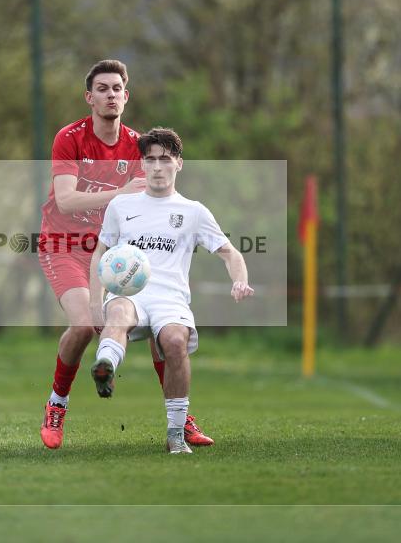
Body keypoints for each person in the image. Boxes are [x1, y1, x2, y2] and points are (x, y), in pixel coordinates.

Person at [38, 60, 213, 449]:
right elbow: (65, 201)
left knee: (161, 324)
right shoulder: (70, 137)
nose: (110, 95)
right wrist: (120, 193)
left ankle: (181, 419)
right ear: (89, 97)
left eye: (116, 88)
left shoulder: (137, 146)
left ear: (126, 96)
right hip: (65, 245)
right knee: (84, 326)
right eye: (102, 89)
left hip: (119, 250)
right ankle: (57, 405)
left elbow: (156, 198)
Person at [89, 127, 253, 454]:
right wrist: (96, 303)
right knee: (118, 314)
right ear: (142, 164)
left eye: (164, 159)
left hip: (170, 298)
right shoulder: (121, 206)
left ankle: (176, 435)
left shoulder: (194, 211)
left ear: (179, 163)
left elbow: (230, 253)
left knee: (176, 343)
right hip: (129, 293)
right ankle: (105, 367)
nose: (157, 167)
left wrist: (239, 279)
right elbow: (99, 253)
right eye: (150, 160)